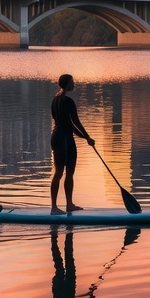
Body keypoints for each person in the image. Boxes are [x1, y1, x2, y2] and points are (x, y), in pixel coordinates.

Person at [50, 73, 94, 214]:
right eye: (72, 82)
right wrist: (87, 137)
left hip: (59, 137)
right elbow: (76, 122)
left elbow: (69, 125)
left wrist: (86, 138)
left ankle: (68, 205)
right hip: (63, 139)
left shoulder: (55, 100)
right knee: (61, 173)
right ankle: (54, 208)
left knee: (67, 172)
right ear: (68, 84)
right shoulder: (68, 101)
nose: (74, 84)